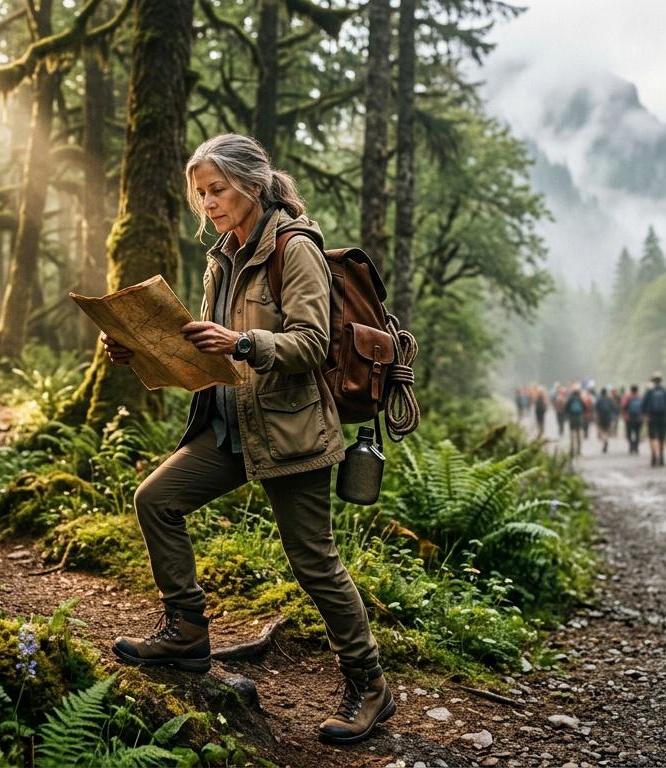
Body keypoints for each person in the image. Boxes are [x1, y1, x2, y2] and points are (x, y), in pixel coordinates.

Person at [102, 134, 392, 743]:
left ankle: (369, 686)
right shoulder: (221, 258)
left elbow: (312, 344)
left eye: (217, 189)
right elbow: (200, 350)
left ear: (251, 185)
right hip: (228, 425)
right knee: (156, 500)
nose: (207, 202)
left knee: (315, 564)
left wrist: (241, 343)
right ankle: (185, 632)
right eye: (200, 192)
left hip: (290, 429)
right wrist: (139, 350)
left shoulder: (295, 247)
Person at [642, 374, 666, 467]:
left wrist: (644, 415)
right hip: (662, 416)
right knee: (661, 437)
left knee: (653, 437)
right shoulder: (665, 391)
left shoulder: (649, 391)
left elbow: (643, 404)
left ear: (653, 382)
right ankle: (661, 456)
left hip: (652, 417)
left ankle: (654, 456)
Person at [565, 383, 587, 457]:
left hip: (572, 420)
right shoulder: (580, 399)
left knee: (572, 436)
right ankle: (579, 450)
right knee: (579, 436)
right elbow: (585, 407)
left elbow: (566, 408)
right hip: (579, 419)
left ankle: (572, 450)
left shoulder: (570, 399)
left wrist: (569, 415)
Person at [622, 384, 643, 454]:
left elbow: (623, 406)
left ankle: (631, 446)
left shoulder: (627, 397)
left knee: (629, 434)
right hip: (638, 418)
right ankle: (636, 447)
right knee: (637, 433)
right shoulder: (640, 397)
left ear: (631, 390)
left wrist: (624, 415)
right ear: (637, 390)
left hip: (629, 418)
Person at [596, 386, 618, 453]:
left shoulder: (599, 399)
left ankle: (604, 440)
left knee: (602, 430)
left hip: (601, 417)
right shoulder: (609, 399)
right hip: (608, 417)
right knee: (607, 430)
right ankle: (606, 439)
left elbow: (596, 408)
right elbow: (614, 408)